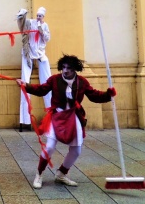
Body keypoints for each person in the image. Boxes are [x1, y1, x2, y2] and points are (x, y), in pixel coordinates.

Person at [16, 54, 116, 189]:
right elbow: (41, 90)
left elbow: (94, 95)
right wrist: (26, 86)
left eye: (68, 68)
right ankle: (39, 174)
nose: (65, 70)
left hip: (73, 118)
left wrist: (108, 95)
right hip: (56, 116)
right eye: (63, 67)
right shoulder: (54, 80)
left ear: (75, 69)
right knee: (50, 147)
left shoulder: (82, 82)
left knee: (76, 150)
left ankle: (61, 173)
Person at [16, 7, 52, 132]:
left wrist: (42, 30)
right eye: (37, 15)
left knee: (47, 81)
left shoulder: (45, 26)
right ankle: (24, 119)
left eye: (40, 16)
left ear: (43, 17)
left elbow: (47, 38)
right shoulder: (31, 22)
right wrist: (22, 15)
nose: (38, 17)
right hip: (28, 53)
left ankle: (51, 115)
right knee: (25, 81)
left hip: (40, 54)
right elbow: (22, 25)